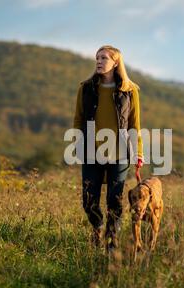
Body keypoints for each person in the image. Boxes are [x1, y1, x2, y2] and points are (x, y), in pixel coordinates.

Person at [73, 45, 144, 252]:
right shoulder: (85, 88)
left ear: (115, 62)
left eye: (104, 58)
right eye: (97, 57)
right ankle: (98, 227)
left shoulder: (129, 91)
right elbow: (78, 119)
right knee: (89, 201)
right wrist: (78, 144)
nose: (99, 61)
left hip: (120, 153)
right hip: (91, 152)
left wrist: (138, 151)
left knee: (115, 200)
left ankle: (111, 242)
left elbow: (134, 125)